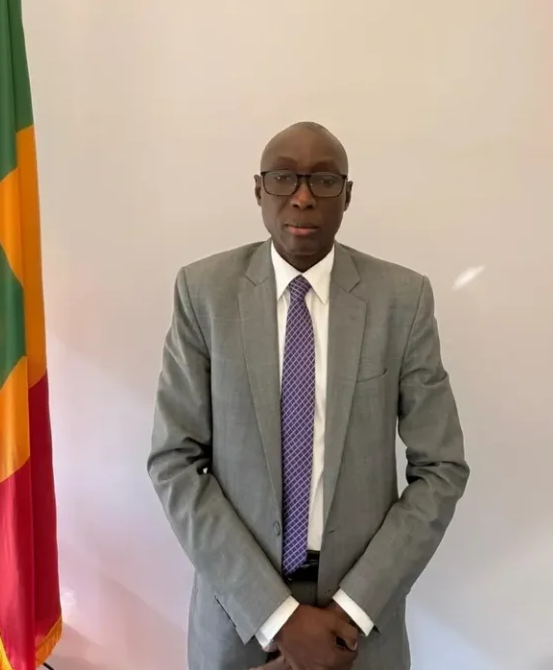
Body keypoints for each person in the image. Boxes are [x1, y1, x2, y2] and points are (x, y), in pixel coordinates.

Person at [147, 122, 469, 670]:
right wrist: (278, 616)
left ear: (347, 195)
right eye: (283, 178)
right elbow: (174, 461)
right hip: (238, 623)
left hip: (359, 631)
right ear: (259, 190)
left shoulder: (402, 300)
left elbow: (441, 468)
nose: (302, 196)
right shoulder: (204, 294)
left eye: (323, 180)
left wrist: (351, 610)